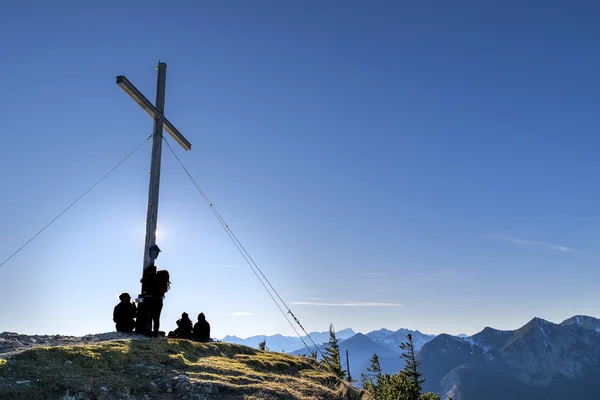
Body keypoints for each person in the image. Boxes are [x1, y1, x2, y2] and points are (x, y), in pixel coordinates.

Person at [139, 264, 164, 337]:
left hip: (149, 299)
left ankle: (146, 330)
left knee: (147, 314)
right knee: (156, 317)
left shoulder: (149, 277)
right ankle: (155, 333)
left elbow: (141, 281)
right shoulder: (160, 277)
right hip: (159, 299)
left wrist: (147, 275)